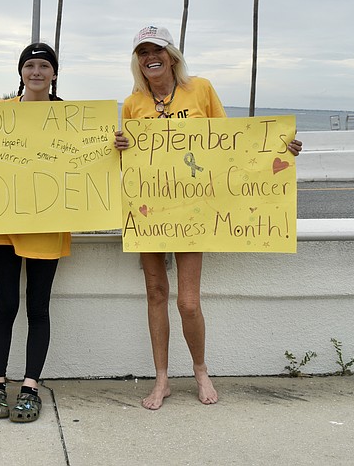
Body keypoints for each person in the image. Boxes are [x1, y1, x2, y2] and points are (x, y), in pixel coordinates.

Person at [115, 26, 302, 410]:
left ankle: (201, 370)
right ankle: (162, 379)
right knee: (155, 293)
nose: (150, 56)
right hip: (150, 209)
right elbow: (128, 160)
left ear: (172, 55)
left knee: (187, 302)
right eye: (142, 51)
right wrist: (120, 146)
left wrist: (281, 147)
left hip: (194, 209)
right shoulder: (133, 103)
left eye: (157, 50)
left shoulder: (199, 89)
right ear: (137, 60)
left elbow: (232, 141)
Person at [0, 42, 69, 423]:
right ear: (20, 72)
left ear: (54, 74)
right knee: (6, 304)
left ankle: (30, 387)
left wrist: (115, 145)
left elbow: (90, 161)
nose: (36, 72)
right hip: (3, 220)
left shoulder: (71, 117)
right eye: (30, 65)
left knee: (38, 306)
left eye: (43, 66)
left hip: (48, 222)